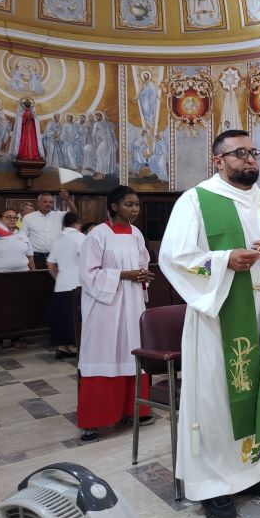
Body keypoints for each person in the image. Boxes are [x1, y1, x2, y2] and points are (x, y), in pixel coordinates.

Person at [159, 130, 260, 518]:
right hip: (216, 319)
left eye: (253, 151)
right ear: (218, 161)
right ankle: (214, 485)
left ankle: (257, 470)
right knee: (215, 400)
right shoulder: (196, 200)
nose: (250, 159)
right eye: (240, 153)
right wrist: (223, 261)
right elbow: (174, 257)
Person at [77, 185, 154, 443]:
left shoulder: (136, 234)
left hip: (132, 302)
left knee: (131, 351)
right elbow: (88, 274)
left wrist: (142, 275)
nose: (134, 209)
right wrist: (124, 275)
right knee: (103, 353)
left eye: (137, 205)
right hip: (105, 305)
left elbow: (142, 263)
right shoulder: (98, 235)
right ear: (113, 206)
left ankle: (135, 410)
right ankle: (93, 420)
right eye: (128, 204)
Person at [47, 211, 85, 359]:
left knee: (62, 317)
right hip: (78, 285)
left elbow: (50, 264)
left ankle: (62, 348)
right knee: (78, 318)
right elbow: (87, 259)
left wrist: (59, 278)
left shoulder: (58, 239)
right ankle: (82, 348)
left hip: (61, 285)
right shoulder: (80, 237)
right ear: (78, 223)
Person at [0, 208, 33, 352]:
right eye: (8, 217)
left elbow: (30, 256)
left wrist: (33, 274)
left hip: (21, 277)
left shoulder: (21, 234)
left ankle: (17, 338)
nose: (12, 220)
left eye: (14, 217)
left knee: (19, 308)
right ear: (0, 219)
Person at [21, 190, 77, 268]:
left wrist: (67, 200)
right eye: (45, 202)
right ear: (38, 203)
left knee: (56, 276)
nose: (48, 204)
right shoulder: (28, 218)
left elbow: (74, 213)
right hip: (36, 257)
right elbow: (24, 239)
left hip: (55, 256)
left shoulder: (59, 215)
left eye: (51, 202)